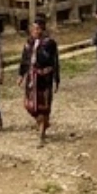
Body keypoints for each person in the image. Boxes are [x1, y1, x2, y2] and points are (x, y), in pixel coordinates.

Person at [18, 14, 60, 145]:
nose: (34, 31)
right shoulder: (29, 43)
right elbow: (24, 59)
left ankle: (41, 133)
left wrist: (56, 79)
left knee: (43, 106)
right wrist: (21, 75)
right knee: (29, 105)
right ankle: (43, 123)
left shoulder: (49, 43)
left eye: (37, 29)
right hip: (32, 78)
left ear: (42, 30)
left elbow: (54, 61)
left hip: (44, 79)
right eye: (33, 28)